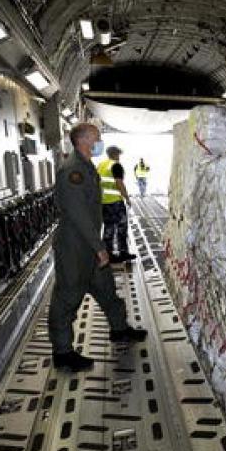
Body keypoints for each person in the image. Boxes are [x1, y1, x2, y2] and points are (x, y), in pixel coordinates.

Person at [49, 123, 147, 372]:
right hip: (75, 246)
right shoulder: (73, 171)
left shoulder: (86, 166)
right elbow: (78, 213)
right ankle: (63, 353)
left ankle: (119, 329)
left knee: (106, 289)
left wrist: (97, 245)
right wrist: (99, 247)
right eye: (97, 138)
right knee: (68, 298)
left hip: (90, 243)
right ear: (84, 141)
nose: (100, 141)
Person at [97, 146, 136, 263]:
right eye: (119, 155)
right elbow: (119, 183)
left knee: (108, 228)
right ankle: (123, 252)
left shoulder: (101, 165)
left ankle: (108, 254)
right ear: (116, 154)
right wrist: (127, 198)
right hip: (115, 202)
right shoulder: (116, 165)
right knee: (121, 227)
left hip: (103, 202)